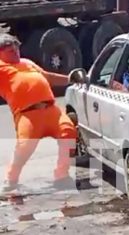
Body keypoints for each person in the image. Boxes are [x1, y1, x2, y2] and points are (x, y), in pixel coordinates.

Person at [0, 33, 78, 193]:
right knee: (24, 147)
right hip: (27, 114)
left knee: (68, 132)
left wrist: (71, 79)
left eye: (17, 50)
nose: (16, 54)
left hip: (51, 110)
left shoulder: (27, 62)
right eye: (10, 52)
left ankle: (61, 176)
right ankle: (11, 180)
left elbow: (48, 77)